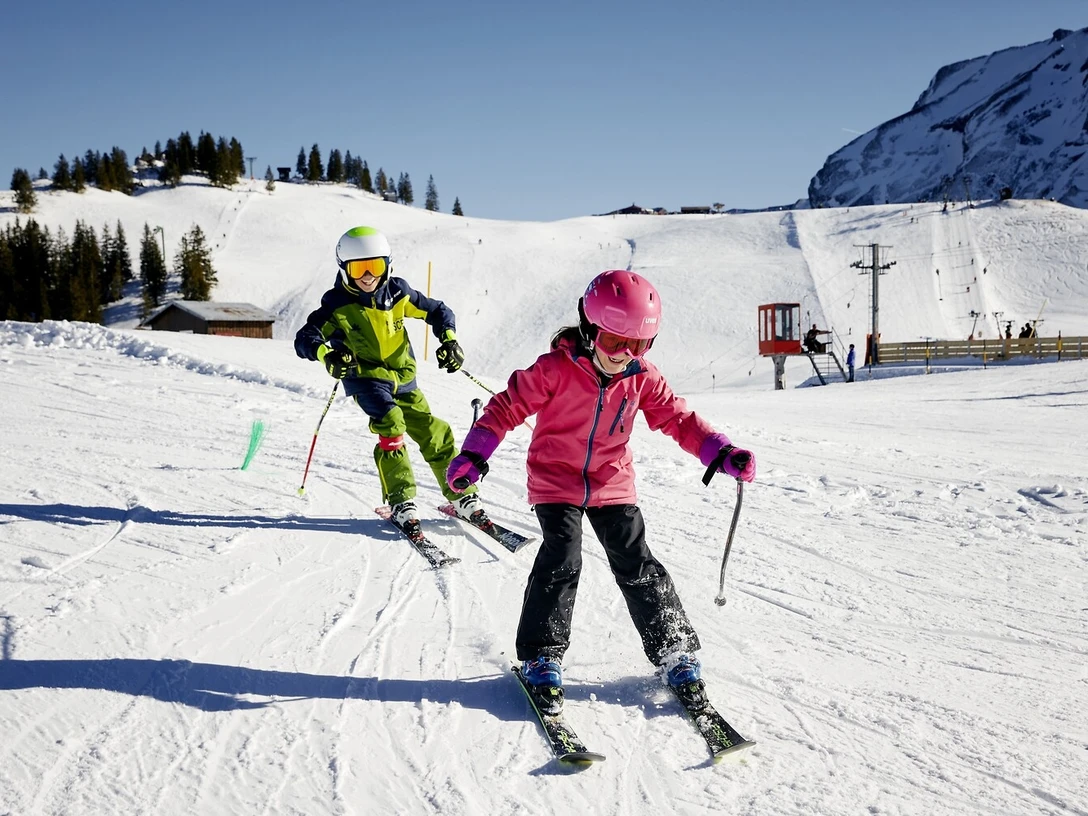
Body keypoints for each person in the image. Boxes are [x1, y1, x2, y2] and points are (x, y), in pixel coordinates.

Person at [445, 270, 756, 715]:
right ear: (590, 330)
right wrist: (474, 456)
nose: (625, 355)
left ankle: (675, 650)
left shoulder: (642, 376)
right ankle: (542, 654)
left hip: (611, 481)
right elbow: (504, 408)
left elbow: (679, 419)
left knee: (635, 559)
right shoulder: (553, 370)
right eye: (615, 343)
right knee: (562, 556)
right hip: (555, 480)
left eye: (639, 345)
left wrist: (720, 452)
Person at [294, 226, 487, 534]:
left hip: (403, 377)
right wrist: (326, 354)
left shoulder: (398, 293)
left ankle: (461, 494)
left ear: (388, 266)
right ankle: (402, 500)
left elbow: (438, 312)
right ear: (343, 269)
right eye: (359, 268)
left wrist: (449, 340)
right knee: (392, 423)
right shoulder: (336, 304)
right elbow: (305, 337)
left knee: (434, 432)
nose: (368, 276)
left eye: (376, 267)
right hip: (366, 378)